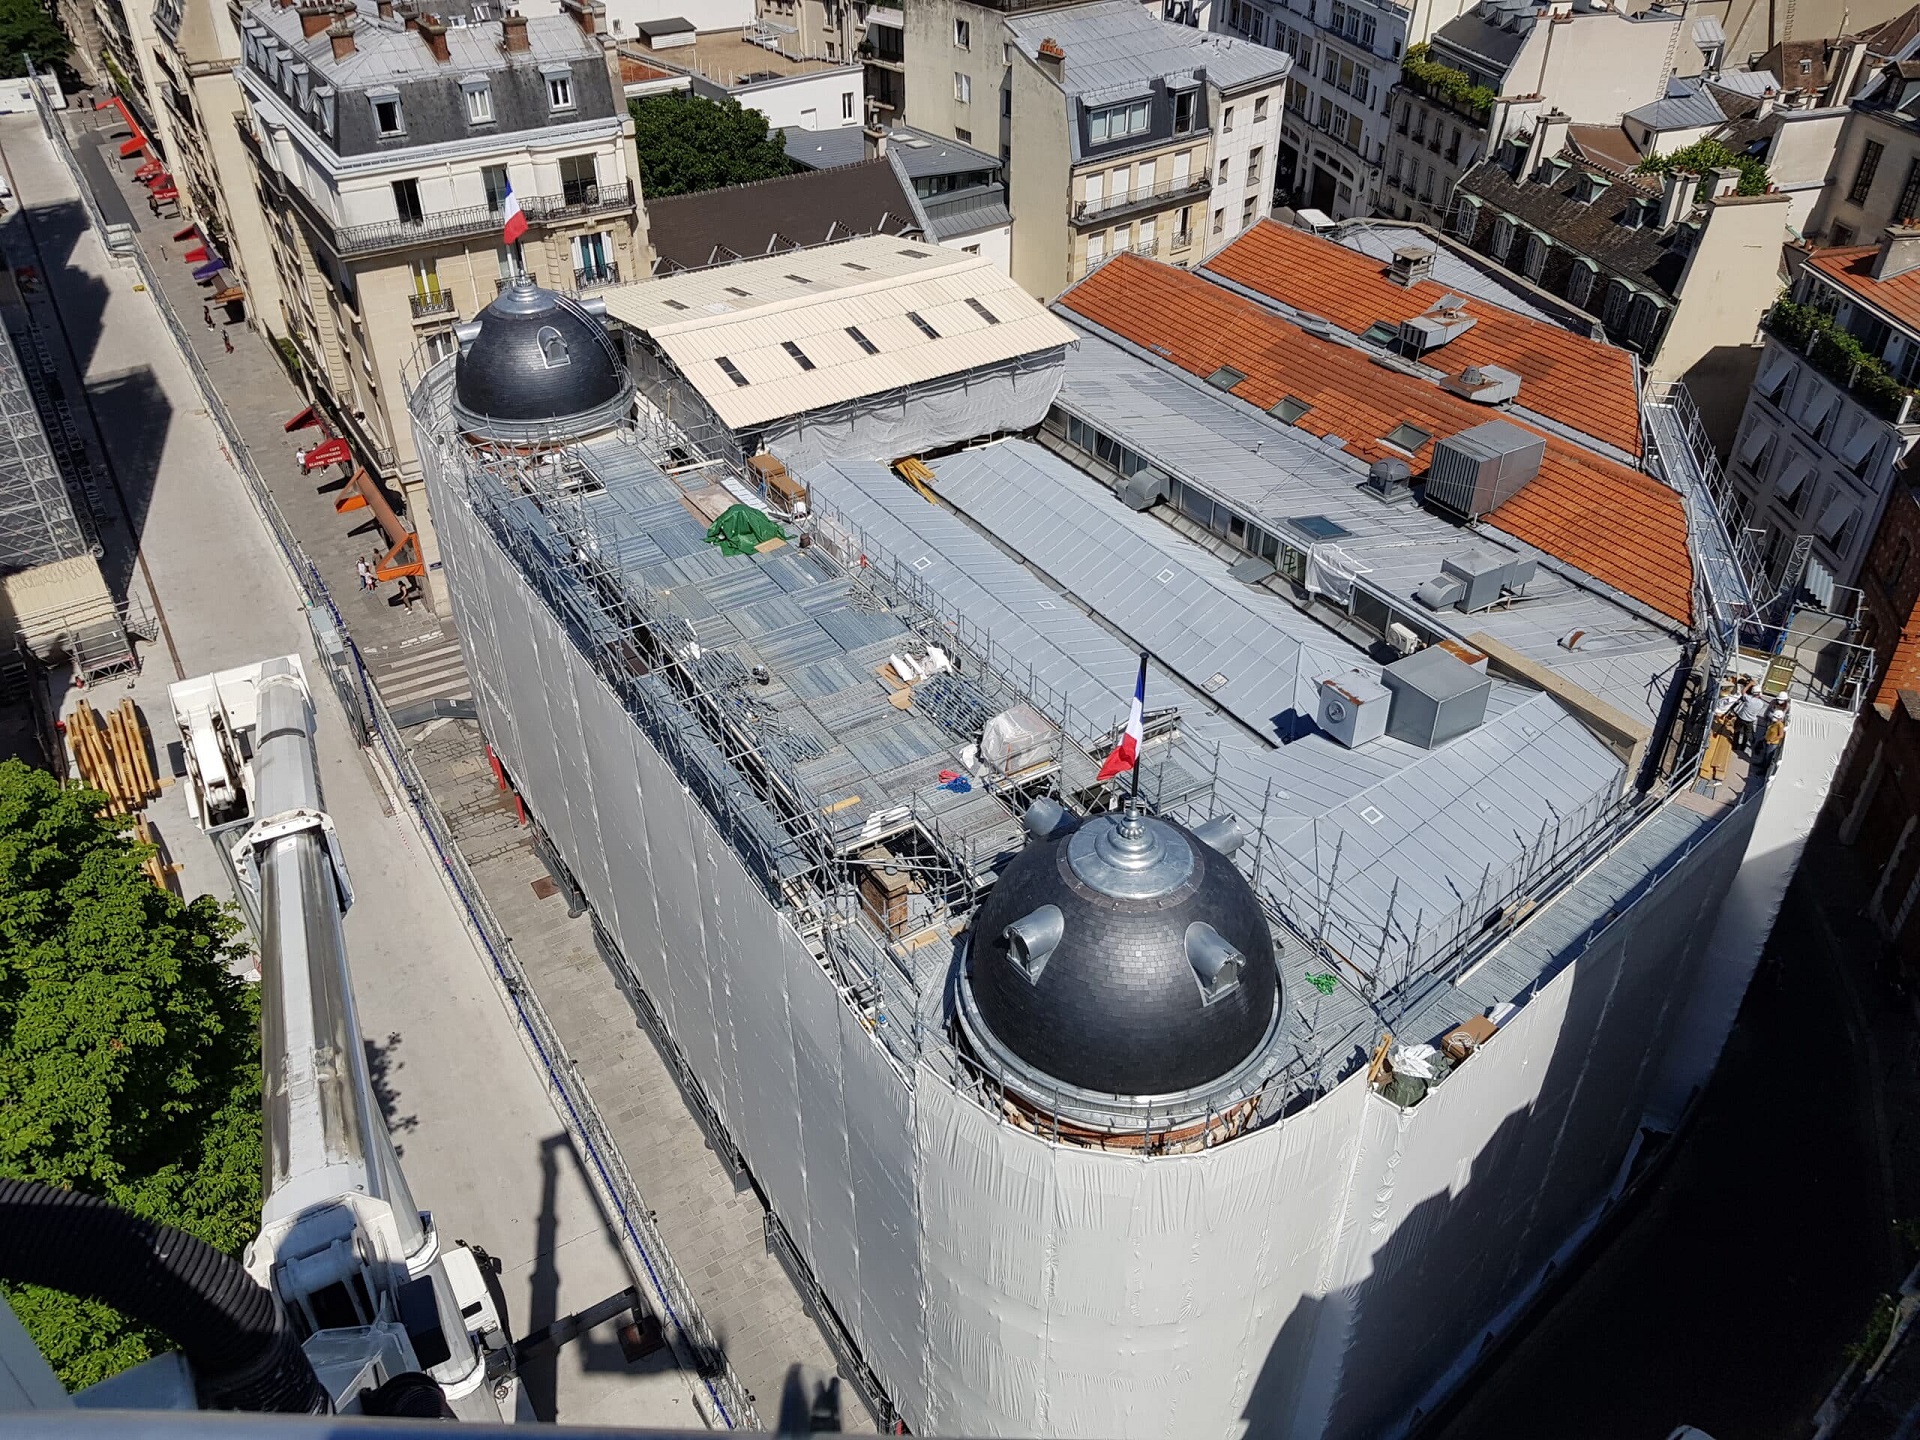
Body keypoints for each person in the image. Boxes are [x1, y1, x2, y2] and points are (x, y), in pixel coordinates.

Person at [1736, 682, 1769, 756]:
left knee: (1737, 732)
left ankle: (1735, 745)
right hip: (1750, 721)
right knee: (1747, 735)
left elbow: (1743, 692)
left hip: (1741, 718)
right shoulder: (1761, 703)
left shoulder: (1748, 699)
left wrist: (1749, 684)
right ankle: (1742, 748)